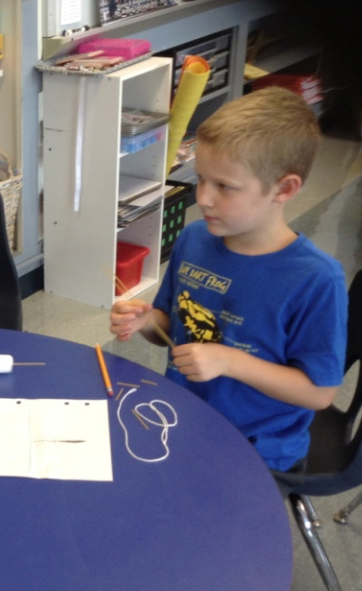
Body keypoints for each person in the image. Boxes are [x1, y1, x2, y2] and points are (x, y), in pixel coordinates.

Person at [109, 87, 347, 484]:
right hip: (182, 420)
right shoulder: (194, 239)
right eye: (202, 179)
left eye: (225, 186)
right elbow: (169, 324)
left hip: (257, 450)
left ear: (284, 189)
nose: (203, 198)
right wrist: (146, 321)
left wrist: (229, 361)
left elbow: (320, 393)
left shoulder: (316, 280)